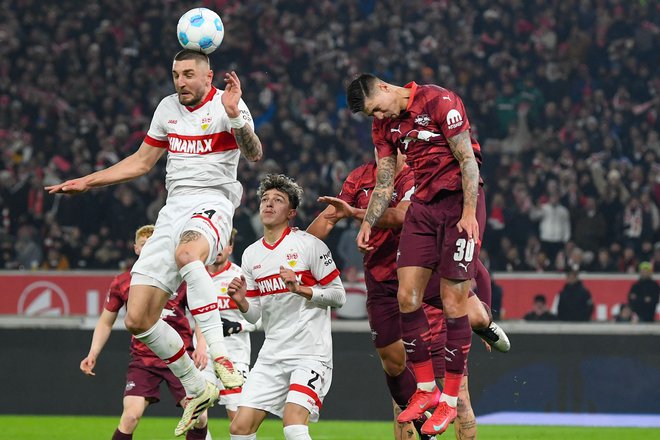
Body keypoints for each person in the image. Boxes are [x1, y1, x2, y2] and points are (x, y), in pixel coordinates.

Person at [47, 49, 263, 436]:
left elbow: (254, 153)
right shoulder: (166, 108)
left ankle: (219, 360)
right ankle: (197, 387)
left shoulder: (227, 104)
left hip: (213, 200)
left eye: (188, 74)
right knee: (137, 317)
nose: (180, 82)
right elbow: (141, 162)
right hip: (173, 208)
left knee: (187, 255)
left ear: (208, 76)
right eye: (176, 74)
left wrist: (235, 115)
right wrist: (87, 181)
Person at [307, 154, 486, 439]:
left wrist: (481, 317)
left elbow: (402, 215)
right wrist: (292, 254)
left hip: (421, 286)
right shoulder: (360, 177)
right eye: (382, 146)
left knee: (459, 394)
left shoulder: (419, 176)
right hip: (381, 285)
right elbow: (329, 218)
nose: (388, 152)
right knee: (400, 386)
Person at [347, 73, 486, 435]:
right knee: (406, 295)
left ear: (385, 90)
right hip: (424, 207)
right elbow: (384, 182)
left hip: (457, 202)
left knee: (453, 301)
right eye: (371, 115)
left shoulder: (439, 101)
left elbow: (467, 161)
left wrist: (469, 213)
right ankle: (425, 390)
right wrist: (368, 223)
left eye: (376, 109)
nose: (377, 118)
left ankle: (450, 402)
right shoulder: (384, 127)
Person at [226, 174, 346, 440]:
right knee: (239, 428)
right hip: (272, 355)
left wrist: (302, 289)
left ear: (291, 212)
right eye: (265, 199)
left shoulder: (309, 244)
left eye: (277, 200)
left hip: (310, 354)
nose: (268, 204)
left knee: (293, 425)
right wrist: (243, 302)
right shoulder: (251, 254)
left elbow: (339, 295)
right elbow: (256, 314)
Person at [80, 225, 210, 440]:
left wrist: (201, 346)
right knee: (130, 417)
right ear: (136, 249)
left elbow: (199, 315)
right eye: (144, 244)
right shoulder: (123, 282)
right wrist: (93, 353)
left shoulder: (179, 278)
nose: (149, 247)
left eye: (154, 243)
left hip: (179, 358)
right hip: (144, 360)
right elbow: (105, 322)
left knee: (200, 417)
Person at [199, 228, 256, 421]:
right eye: (214, 244)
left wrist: (237, 325)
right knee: (198, 415)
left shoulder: (240, 277)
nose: (218, 249)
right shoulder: (195, 276)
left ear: (230, 248)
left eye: (223, 244)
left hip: (235, 352)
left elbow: (260, 317)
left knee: (237, 416)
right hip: (203, 352)